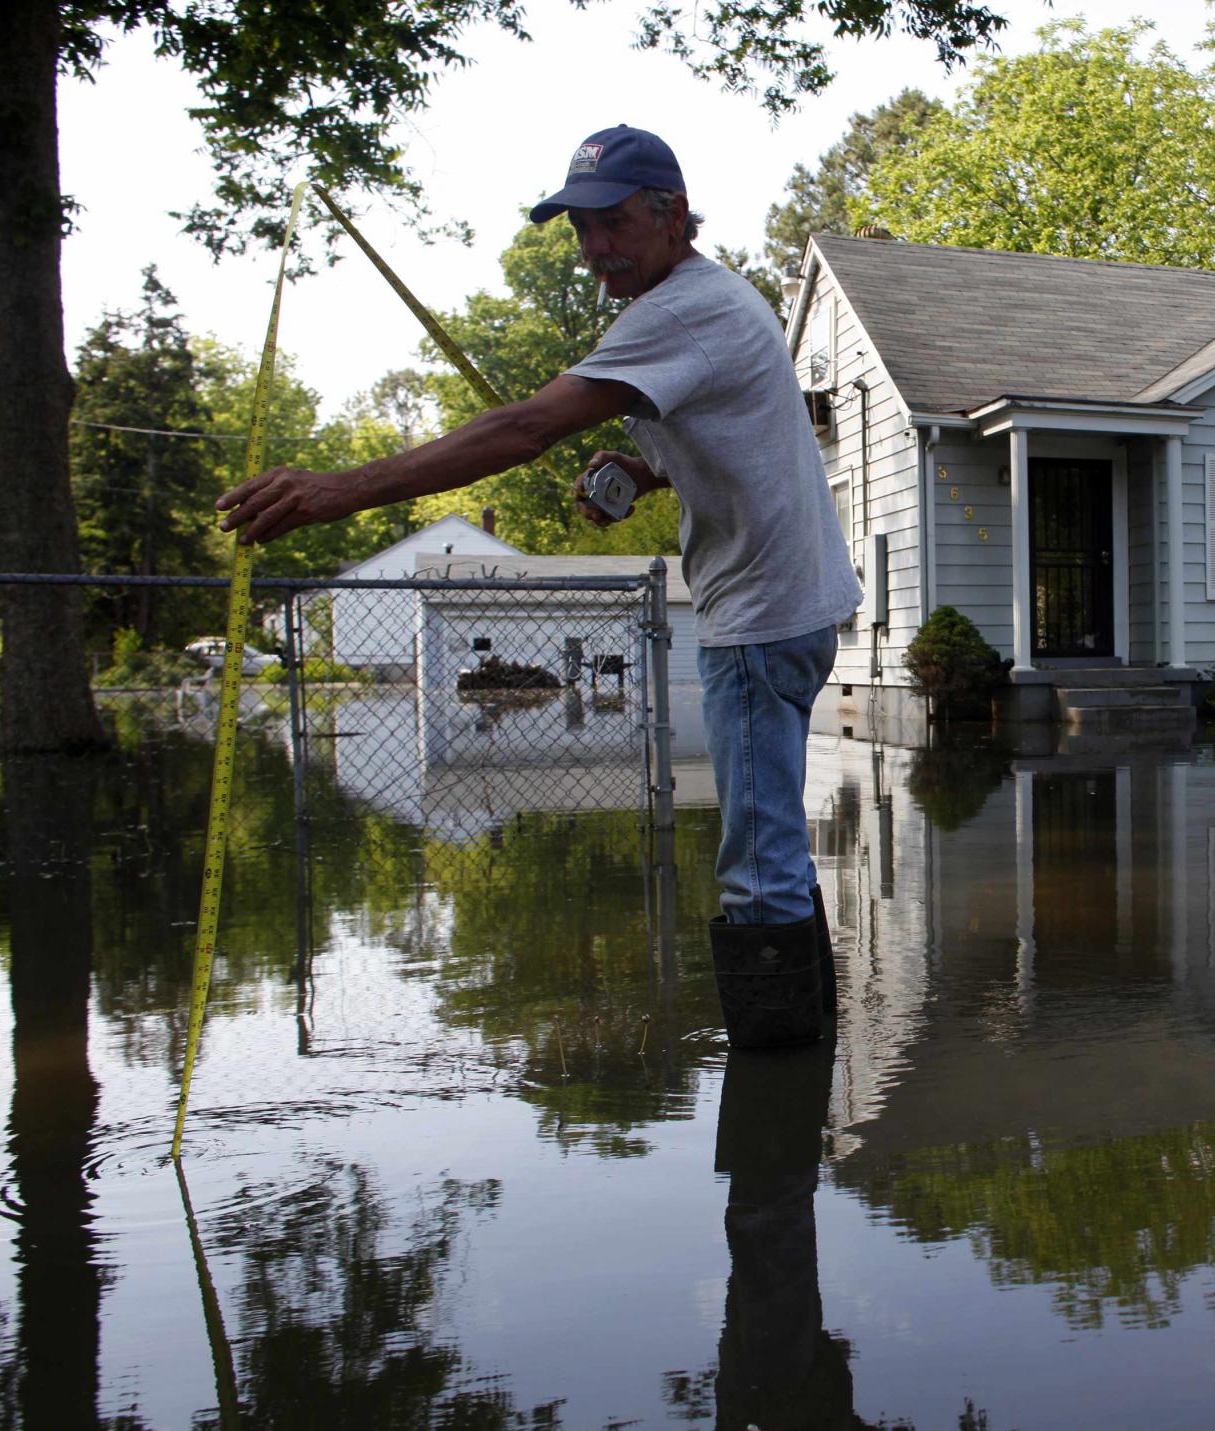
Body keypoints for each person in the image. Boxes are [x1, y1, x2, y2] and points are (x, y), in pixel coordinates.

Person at [217, 125, 859, 1045]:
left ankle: (779, 1119)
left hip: (758, 620)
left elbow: (522, 430)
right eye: (579, 230)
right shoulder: (712, 301)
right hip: (788, 608)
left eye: (612, 223)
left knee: (758, 869)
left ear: (672, 214)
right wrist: (645, 475)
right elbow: (749, 440)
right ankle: (798, 1092)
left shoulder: (679, 311)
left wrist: (337, 492)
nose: (595, 248)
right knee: (774, 856)